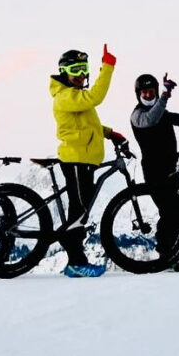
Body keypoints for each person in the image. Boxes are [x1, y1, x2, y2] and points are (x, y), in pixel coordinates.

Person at [50, 44, 125, 278]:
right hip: (76, 159)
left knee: (80, 210)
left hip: (85, 160)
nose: (81, 74)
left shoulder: (76, 98)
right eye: (75, 70)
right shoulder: (65, 96)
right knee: (79, 212)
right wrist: (108, 67)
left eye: (84, 69)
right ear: (64, 72)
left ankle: (75, 255)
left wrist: (109, 133)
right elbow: (95, 97)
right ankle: (75, 262)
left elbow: (88, 125)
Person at [130, 73, 179, 266]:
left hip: (171, 170)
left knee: (176, 215)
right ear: (138, 94)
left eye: (151, 91)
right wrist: (164, 96)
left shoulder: (161, 111)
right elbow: (151, 119)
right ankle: (165, 257)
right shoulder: (137, 116)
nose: (148, 95)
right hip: (155, 172)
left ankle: (173, 256)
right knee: (168, 212)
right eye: (144, 92)